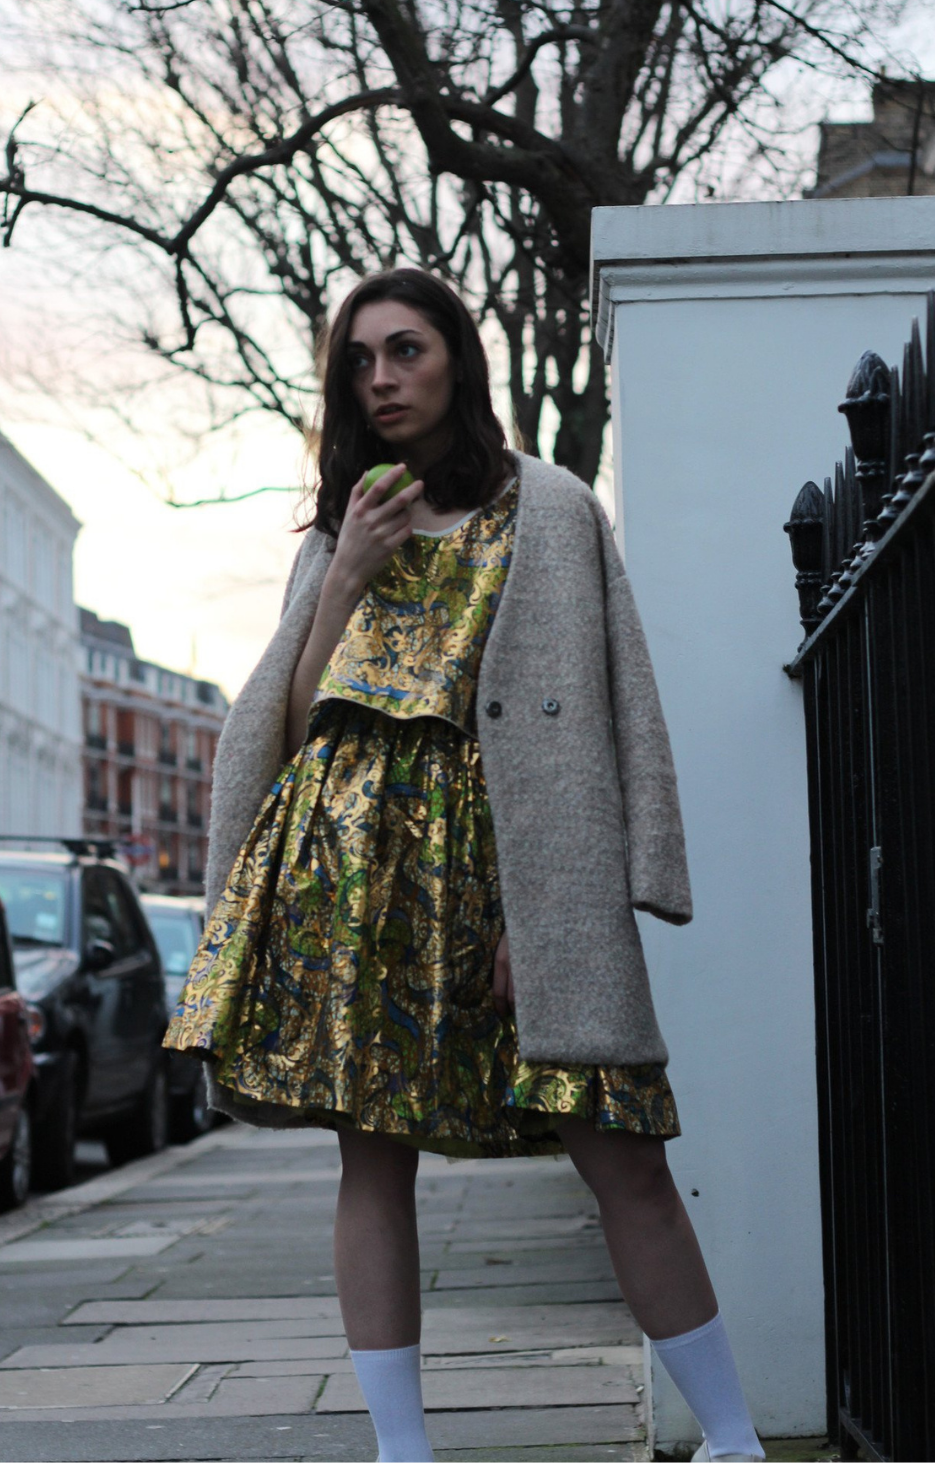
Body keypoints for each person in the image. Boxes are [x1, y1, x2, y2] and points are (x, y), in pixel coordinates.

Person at [164, 267, 764, 1463]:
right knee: (370, 1159)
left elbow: (615, 698)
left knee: (622, 1151)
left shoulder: (546, 506)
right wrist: (344, 572)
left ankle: (736, 1436)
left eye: (405, 351)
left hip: (513, 862)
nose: (380, 379)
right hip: (349, 861)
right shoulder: (344, 524)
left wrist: (575, 894)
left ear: (456, 361)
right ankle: (402, 1449)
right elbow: (290, 718)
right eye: (359, 362)